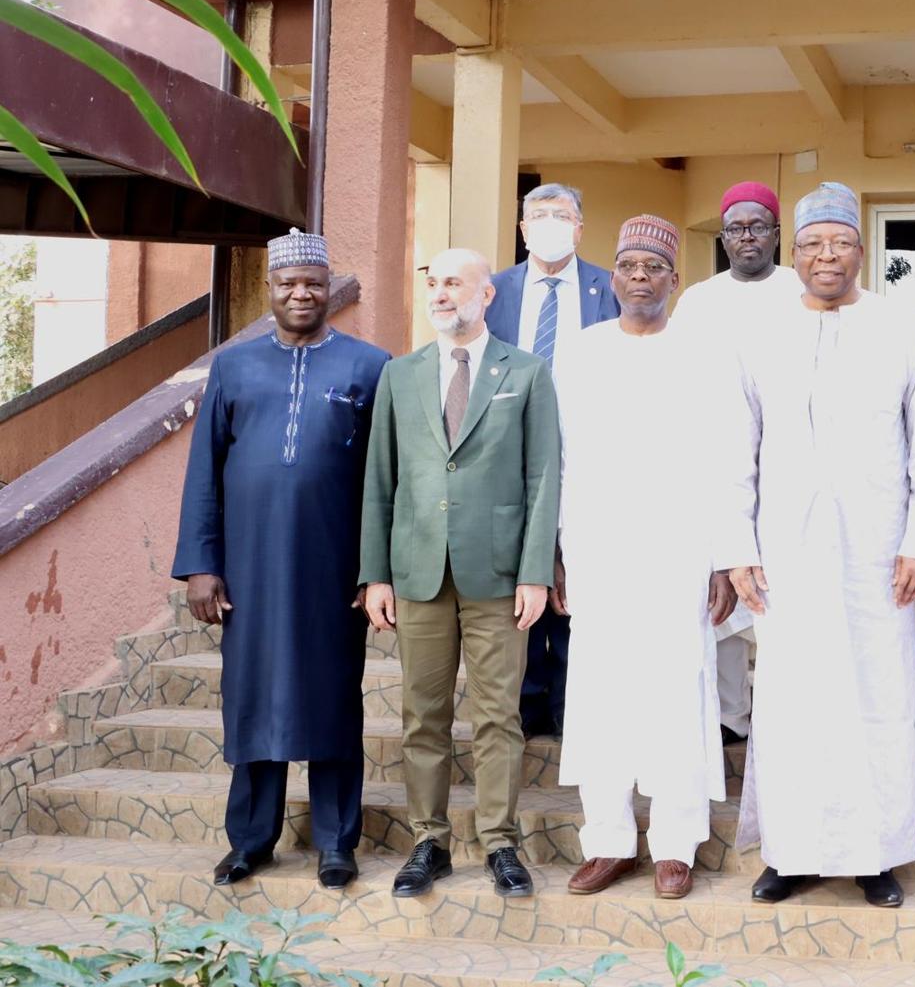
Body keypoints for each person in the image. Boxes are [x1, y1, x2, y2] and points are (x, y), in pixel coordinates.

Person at [718, 182, 915, 910]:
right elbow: (735, 448)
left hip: (879, 551)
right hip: (785, 545)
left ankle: (877, 852)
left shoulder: (901, 324)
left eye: (840, 242)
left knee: (879, 695)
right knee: (790, 698)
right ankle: (791, 851)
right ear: (796, 250)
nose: (826, 255)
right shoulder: (760, 331)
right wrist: (736, 546)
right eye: (813, 242)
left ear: (859, 249)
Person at [172, 230, 388, 891]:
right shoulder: (234, 367)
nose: (301, 293)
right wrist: (201, 562)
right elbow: (203, 468)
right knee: (252, 697)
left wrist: (375, 568)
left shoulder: (370, 365)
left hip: (333, 567)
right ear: (269, 288)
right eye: (288, 283)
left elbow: (386, 479)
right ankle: (252, 839)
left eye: (313, 283)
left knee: (332, 698)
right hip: (251, 568)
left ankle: (335, 842)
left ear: (331, 290)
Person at [359, 247, 561, 900]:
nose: (442, 292)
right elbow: (379, 480)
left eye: (456, 282)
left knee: (499, 716)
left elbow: (542, 477)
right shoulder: (400, 375)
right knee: (423, 712)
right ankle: (430, 840)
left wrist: (536, 570)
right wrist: (375, 574)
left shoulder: (525, 373)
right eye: (435, 281)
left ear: (487, 294)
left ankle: (501, 841)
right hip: (417, 570)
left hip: (500, 574)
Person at [560, 216, 732, 902]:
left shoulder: (702, 352)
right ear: (612, 278)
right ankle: (607, 840)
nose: (639, 277)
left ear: (673, 279)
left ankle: (675, 844)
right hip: (599, 547)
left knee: (677, 693)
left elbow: (725, 459)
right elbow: (562, 457)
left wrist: (724, 555)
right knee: (603, 695)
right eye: (628, 265)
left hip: (679, 549)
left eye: (653, 267)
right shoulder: (579, 352)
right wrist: (557, 551)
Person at [483, 183, 620, 741]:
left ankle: (569, 701)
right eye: (537, 216)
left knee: (575, 573)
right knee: (520, 572)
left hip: (587, 450)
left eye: (560, 215)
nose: (548, 224)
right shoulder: (494, 290)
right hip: (511, 451)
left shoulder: (607, 289)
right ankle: (526, 696)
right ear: (521, 230)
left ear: (580, 227)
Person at [671, 181, 804, 749]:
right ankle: (731, 716)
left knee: (786, 596)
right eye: (735, 229)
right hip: (716, 464)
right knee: (723, 588)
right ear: (723, 239)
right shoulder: (700, 301)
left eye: (757, 227)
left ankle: (785, 717)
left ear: (777, 235)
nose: (746, 237)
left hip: (791, 463)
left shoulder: (802, 291)